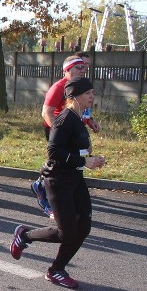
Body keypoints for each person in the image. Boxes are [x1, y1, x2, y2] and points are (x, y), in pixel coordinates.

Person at [10, 77, 106, 289]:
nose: (92, 96)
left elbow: (75, 149)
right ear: (74, 96)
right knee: (66, 232)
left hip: (75, 178)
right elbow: (53, 151)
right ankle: (24, 235)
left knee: (84, 227)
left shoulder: (79, 118)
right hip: (58, 180)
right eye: (88, 92)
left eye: (92, 92)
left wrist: (91, 159)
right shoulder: (64, 119)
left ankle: (56, 270)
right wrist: (83, 160)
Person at [31, 54, 99, 217]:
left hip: (74, 128)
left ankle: (65, 194)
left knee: (70, 162)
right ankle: (44, 190)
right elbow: (46, 112)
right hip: (58, 127)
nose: (83, 70)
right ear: (67, 70)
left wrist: (90, 122)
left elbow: (83, 109)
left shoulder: (79, 86)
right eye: (79, 67)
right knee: (58, 161)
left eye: (84, 67)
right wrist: (60, 132)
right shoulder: (58, 87)